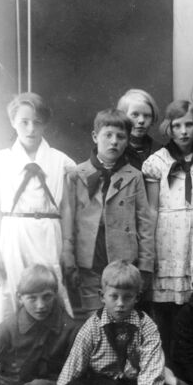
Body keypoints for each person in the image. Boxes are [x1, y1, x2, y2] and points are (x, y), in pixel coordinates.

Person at [57, 261, 189, 385]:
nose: (120, 303)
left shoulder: (147, 326)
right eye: (114, 296)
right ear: (102, 296)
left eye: (127, 297)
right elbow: (72, 368)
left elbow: (152, 368)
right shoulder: (91, 327)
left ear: (137, 297)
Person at [142, 100, 193, 356]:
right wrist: (149, 250)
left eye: (189, 124)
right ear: (169, 128)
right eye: (177, 125)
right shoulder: (157, 161)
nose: (184, 131)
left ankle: (191, 362)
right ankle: (166, 363)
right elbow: (152, 208)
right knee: (166, 312)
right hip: (167, 237)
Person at [65, 108, 154, 316]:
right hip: (89, 261)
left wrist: (145, 266)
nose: (114, 142)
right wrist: (70, 261)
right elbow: (69, 223)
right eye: (108, 135)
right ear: (95, 137)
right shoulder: (77, 174)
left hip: (122, 261)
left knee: (121, 314)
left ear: (127, 140)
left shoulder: (134, 176)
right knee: (93, 317)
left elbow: (145, 225)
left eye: (121, 137)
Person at [0, 92, 75, 319]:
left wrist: (67, 248)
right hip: (13, 233)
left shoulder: (60, 161)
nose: (31, 129)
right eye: (24, 122)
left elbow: (66, 208)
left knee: (50, 287)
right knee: (12, 290)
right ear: (13, 122)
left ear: (45, 124)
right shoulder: (0, 161)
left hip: (48, 232)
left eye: (37, 122)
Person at [0, 264, 79, 385]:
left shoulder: (70, 329)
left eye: (47, 297)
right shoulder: (9, 327)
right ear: (20, 297)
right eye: (32, 298)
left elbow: (75, 378)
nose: (40, 305)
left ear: (55, 294)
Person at [116, 88, 161, 170]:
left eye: (147, 116)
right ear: (123, 117)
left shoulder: (160, 151)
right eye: (135, 115)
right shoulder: (114, 150)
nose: (141, 121)